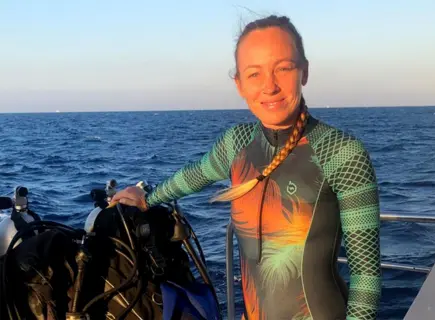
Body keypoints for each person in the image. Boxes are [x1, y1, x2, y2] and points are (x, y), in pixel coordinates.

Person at [112, 14, 382, 320]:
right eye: (254, 74)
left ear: (304, 72)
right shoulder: (236, 143)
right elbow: (196, 174)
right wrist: (146, 197)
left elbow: (366, 277)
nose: (270, 86)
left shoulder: (343, 153)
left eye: (283, 68)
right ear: (239, 83)